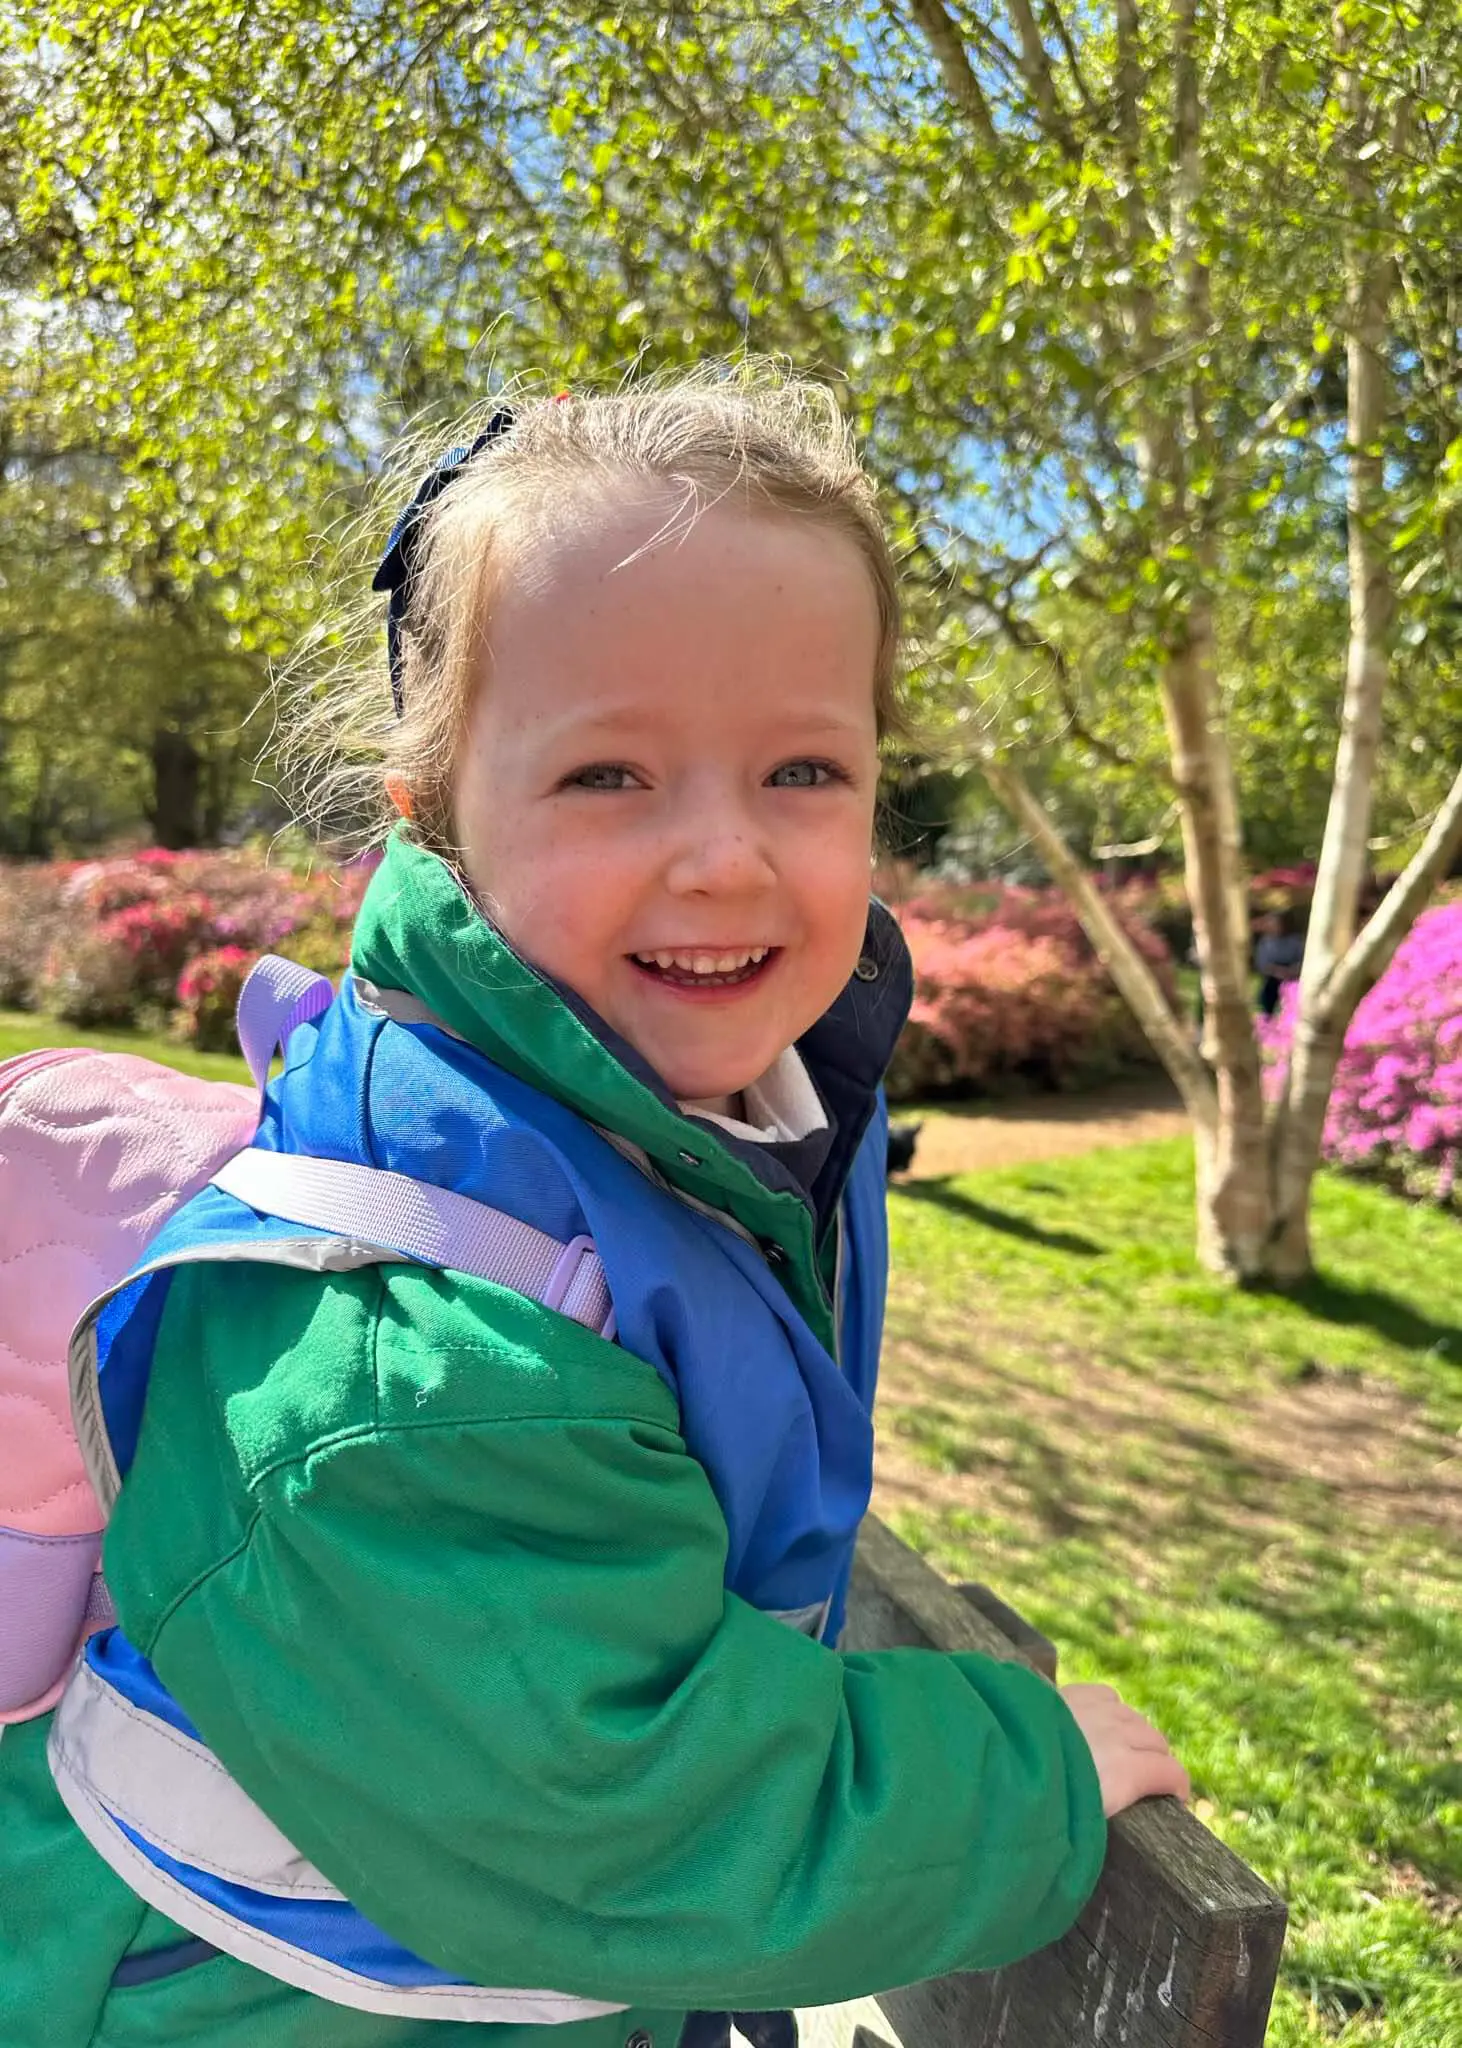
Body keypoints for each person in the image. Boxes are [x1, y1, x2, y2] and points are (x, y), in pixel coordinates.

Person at [0, 373, 1188, 2048]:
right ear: (432, 811)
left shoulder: (690, 1111)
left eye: (800, 767)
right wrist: (1016, 1781)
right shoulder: (398, 1362)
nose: (722, 856)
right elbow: (624, 1811)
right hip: (261, 1991)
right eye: (611, 775)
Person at [1254, 909, 1305, 1017]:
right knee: (1268, 990)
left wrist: (1291, 971)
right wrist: (1277, 972)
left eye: (1275, 923)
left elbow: (1302, 960)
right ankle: (1267, 1017)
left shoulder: (1295, 941)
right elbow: (1262, 965)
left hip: (1292, 976)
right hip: (1273, 976)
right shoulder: (1265, 943)